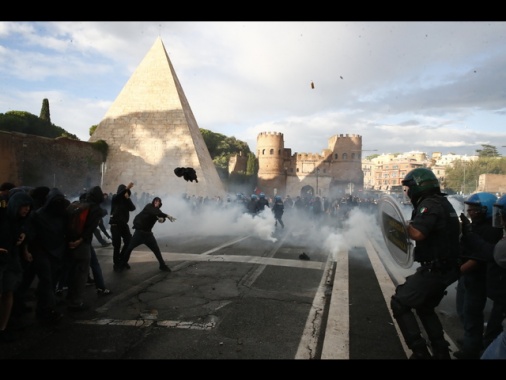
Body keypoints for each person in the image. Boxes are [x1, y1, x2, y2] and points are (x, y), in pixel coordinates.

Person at [390, 168, 461, 359]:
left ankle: (419, 351)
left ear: (419, 186)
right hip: (445, 268)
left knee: (400, 302)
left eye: (409, 187)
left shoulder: (429, 204)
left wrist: (402, 224)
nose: (407, 191)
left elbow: (418, 233)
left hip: (436, 269)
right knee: (424, 307)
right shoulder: (442, 202)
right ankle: (440, 351)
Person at [455, 192, 502, 359]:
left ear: (486, 210)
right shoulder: (474, 225)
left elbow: (481, 257)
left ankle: (471, 348)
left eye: (475, 209)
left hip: (477, 278)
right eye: (470, 208)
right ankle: (472, 340)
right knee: (462, 310)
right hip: (467, 275)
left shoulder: (490, 230)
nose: (471, 212)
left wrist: (458, 270)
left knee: (471, 312)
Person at [25, 187, 69, 324]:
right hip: (41, 252)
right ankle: (46, 310)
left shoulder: (62, 215)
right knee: (46, 282)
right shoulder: (37, 215)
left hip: (55, 252)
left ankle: (43, 308)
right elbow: (30, 234)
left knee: (49, 282)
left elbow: (66, 232)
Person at [65, 185, 106, 312]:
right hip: (82, 245)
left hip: (69, 242)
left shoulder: (79, 205)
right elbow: (89, 229)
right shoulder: (95, 209)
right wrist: (79, 241)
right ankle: (76, 303)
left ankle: (70, 297)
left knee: (72, 272)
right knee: (81, 274)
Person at [0, 191, 33, 342]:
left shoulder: (20, 221)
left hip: (11, 261)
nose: (26, 209)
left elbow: (24, 230)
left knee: (8, 291)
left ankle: (3, 327)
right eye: (23, 206)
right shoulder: (2, 217)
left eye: (28, 206)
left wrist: (24, 242)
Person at [116, 196, 175, 272]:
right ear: (153, 202)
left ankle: (162, 265)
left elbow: (160, 217)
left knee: (156, 250)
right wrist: (167, 215)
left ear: (160, 204)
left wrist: (162, 220)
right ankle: (122, 264)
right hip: (139, 233)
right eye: (155, 201)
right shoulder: (149, 206)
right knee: (129, 248)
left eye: (158, 202)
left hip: (148, 235)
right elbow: (154, 212)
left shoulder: (158, 211)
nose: (156, 202)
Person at [109, 182, 136, 272]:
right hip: (115, 224)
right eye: (124, 191)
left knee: (129, 242)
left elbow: (133, 208)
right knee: (117, 245)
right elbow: (118, 196)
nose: (126, 193)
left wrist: (128, 198)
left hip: (123, 224)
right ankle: (116, 263)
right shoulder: (115, 198)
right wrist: (126, 188)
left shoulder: (126, 200)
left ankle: (123, 260)